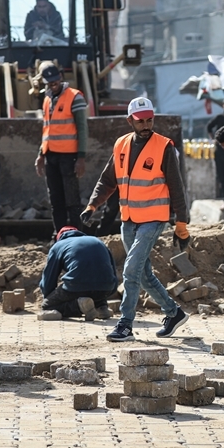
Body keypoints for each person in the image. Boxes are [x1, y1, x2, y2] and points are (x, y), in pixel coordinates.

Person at [82, 97, 190, 342]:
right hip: (129, 219)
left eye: (150, 120)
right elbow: (108, 180)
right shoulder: (121, 145)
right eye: (141, 121)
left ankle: (125, 325)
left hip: (154, 219)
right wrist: (92, 205)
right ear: (130, 120)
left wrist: (181, 224)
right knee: (142, 274)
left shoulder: (163, 147)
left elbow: (176, 187)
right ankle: (174, 313)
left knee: (131, 270)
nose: (146, 125)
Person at [34, 62, 88, 235]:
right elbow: (47, 130)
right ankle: (59, 235)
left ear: (61, 77)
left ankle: (77, 235)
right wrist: (41, 155)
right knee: (56, 200)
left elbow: (82, 128)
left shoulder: (74, 97)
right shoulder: (47, 99)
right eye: (49, 82)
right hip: (51, 156)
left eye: (55, 81)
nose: (53, 84)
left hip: (69, 157)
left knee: (72, 200)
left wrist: (81, 157)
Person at [40, 226, 118, 320]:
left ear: (59, 237)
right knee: (96, 285)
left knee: (47, 306)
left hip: (77, 285)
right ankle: (101, 307)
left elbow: (49, 278)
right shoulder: (97, 241)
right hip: (106, 288)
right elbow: (113, 271)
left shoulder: (58, 245)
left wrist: (49, 298)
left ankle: (79, 307)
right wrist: (109, 291)